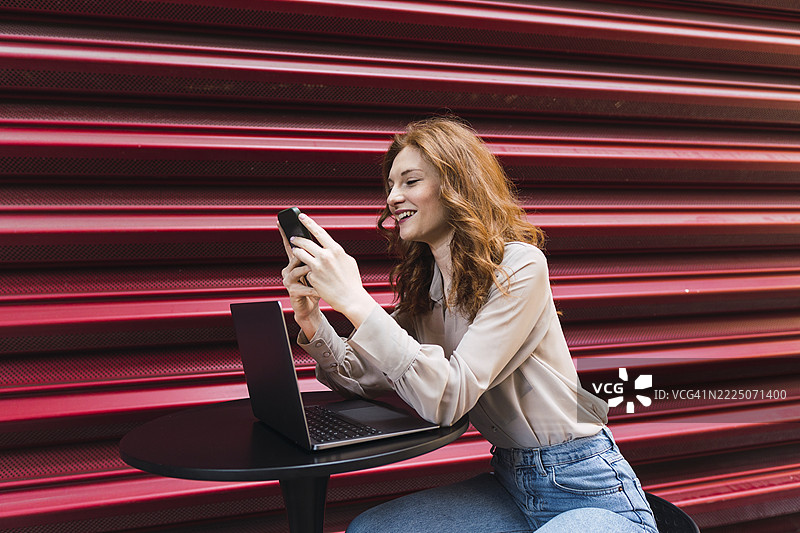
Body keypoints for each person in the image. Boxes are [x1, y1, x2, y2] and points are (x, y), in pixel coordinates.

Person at [280, 117, 658, 532]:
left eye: (409, 181)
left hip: (584, 483)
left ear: (456, 184)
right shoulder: (428, 293)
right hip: (511, 479)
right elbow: (361, 377)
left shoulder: (520, 267)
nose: (392, 197)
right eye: (390, 185)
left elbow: (449, 397)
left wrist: (354, 298)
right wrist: (313, 319)